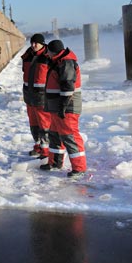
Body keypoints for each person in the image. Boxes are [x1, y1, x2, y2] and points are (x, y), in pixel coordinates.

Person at [42, 40, 87, 178]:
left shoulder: (66, 63)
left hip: (67, 108)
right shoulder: (58, 61)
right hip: (57, 107)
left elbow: (68, 88)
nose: (46, 54)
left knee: (70, 136)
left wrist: (62, 107)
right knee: (54, 135)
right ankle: (55, 162)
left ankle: (79, 169)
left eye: (47, 51)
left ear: (53, 51)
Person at [22, 34, 51, 160]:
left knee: (44, 124)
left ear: (42, 44)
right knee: (33, 124)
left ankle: (46, 150)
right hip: (29, 96)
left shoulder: (48, 57)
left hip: (42, 96)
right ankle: (38, 145)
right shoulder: (28, 55)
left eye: (36, 43)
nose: (33, 45)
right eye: (32, 43)